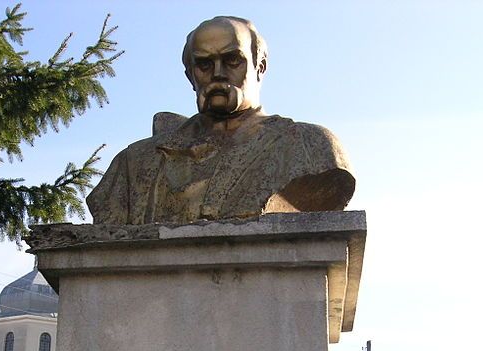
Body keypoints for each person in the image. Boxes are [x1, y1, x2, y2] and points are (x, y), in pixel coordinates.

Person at [87, 16, 355, 225]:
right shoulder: (135, 163)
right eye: (204, 64)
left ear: (260, 67)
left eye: (233, 60)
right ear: (190, 75)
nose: (218, 73)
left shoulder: (310, 147)